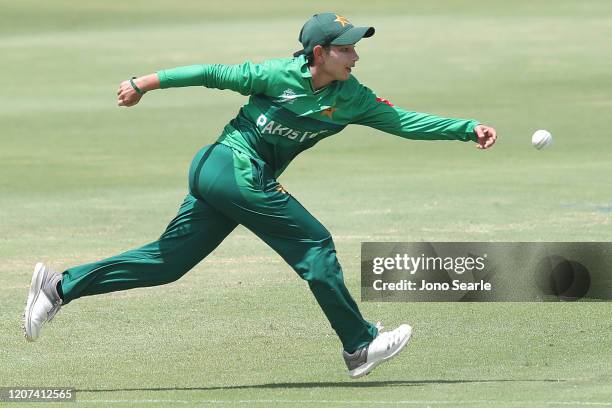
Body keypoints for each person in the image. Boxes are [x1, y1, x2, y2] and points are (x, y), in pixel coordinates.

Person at [23, 12, 497, 378]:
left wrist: (464, 129)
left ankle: (59, 286)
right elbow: (210, 72)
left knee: (168, 264)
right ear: (319, 53)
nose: (356, 56)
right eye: (347, 49)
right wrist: (141, 84)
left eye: (355, 48)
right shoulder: (276, 75)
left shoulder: (352, 97)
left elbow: (403, 122)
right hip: (230, 168)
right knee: (314, 243)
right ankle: (359, 345)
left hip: (228, 179)